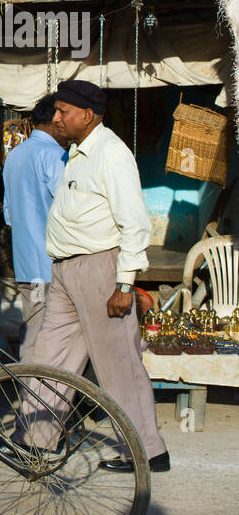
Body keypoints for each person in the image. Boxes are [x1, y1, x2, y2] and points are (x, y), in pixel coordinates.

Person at [30, 79, 170, 472]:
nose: (57, 119)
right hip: (64, 271)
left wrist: (124, 284)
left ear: (87, 116)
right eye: (56, 112)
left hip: (99, 269)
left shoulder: (111, 153)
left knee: (117, 362)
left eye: (64, 112)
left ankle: (146, 452)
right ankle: (36, 442)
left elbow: (135, 224)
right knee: (49, 359)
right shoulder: (76, 152)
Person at [1, 93, 67, 362]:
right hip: (52, 268)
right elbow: (68, 211)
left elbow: (9, 216)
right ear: (56, 118)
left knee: (34, 330)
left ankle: (30, 392)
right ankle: (39, 397)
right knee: (51, 337)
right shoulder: (55, 156)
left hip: (27, 267)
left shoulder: (15, 155)